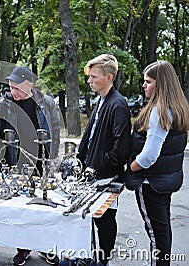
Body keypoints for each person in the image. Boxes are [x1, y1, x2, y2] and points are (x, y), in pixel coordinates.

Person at [0, 66, 61, 266]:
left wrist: (51, 161)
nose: (13, 92)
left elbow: (55, 131)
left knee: (45, 206)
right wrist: (2, 163)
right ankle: (22, 247)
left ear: (30, 85)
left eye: (18, 88)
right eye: (11, 87)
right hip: (16, 161)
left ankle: (48, 247)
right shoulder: (1, 105)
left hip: (41, 161)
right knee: (20, 209)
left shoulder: (47, 103)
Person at [125, 61, 189, 266]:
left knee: (156, 233)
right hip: (163, 181)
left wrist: (131, 168)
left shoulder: (158, 111)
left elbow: (149, 156)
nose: (144, 86)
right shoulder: (177, 108)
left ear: (161, 84)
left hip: (150, 182)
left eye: (148, 82)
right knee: (162, 230)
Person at [76, 54, 131, 266]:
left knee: (105, 221)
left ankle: (103, 260)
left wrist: (101, 163)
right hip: (91, 172)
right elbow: (91, 136)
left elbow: (121, 147)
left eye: (94, 77)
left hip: (106, 176)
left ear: (109, 77)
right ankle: (87, 256)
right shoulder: (100, 101)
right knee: (89, 217)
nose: (89, 81)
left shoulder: (118, 105)